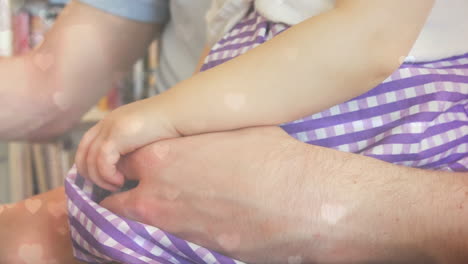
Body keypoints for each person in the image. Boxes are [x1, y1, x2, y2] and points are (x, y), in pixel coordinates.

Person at [1, 0, 467, 263]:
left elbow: (370, 38)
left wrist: (168, 116)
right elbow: (49, 84)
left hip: (381, 166)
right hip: (179, 179)